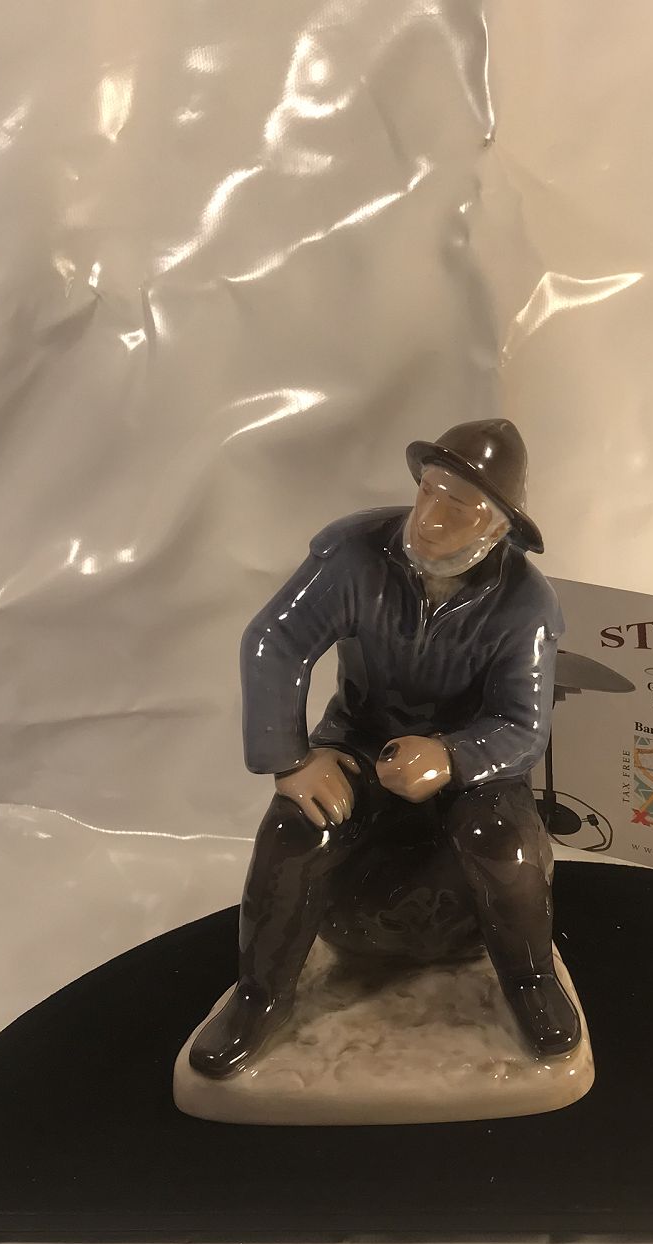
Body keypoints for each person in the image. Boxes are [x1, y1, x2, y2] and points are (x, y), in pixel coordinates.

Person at [190, 418, 582, 1079]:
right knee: (294, 832)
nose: (430, 518)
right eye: (429, 491)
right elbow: (275, 641)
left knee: (504, 846)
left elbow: (522, 725)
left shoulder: (526, 604)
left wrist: (452, 757)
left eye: (461, 506)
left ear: (498, 529)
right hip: (360, 741)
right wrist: (291, 758)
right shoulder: (353, 555)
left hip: (473, 761)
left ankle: (530, 980)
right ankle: (260, 996)